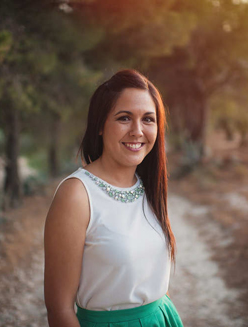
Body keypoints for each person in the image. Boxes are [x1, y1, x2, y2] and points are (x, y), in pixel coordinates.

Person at [44, 69, 183, 327]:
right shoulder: (76, 195)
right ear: (99, 125)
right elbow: (59, 309)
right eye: (124, 118)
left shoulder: (148, 186)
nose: (137, 131)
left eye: (148, 119)